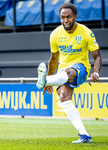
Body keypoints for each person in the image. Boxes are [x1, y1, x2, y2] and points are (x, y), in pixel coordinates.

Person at [36, 3, 102, 144]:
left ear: (75, 17)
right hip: (62, 71)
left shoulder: (86, 32)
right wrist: (51, 75)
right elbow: (54, 59)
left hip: (81, 69)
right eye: (62, 17)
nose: (65, 20)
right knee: (64, 97)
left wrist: (96, 72)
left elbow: (97, 56)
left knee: (69, 71)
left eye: (68, 17)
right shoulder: (55, 34)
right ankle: (84, 135)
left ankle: (47, 80)